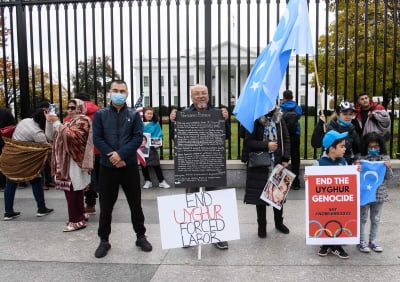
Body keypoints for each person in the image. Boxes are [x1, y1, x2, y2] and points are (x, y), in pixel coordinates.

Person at [93, 80, 152, 258]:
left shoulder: (134, 115)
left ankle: (140, 236)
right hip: (107, 166)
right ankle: (104, 240)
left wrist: (121, 155)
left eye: (122, 91)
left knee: (135, 204)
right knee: (106, 206)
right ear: (109, 92)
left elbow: (137, 138)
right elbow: (97, 138)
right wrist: (113, 156)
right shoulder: (101, 114)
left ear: (127, 93)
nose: (119, 93)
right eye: (115, 90)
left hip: (129, 166)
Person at [169, 84, 230, 249]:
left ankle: (217, 235)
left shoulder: (218, 112)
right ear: (191, 97)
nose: (201, 96)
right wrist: (173, 122)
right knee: (192, 200)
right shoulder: (184, 114)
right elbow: (176, 139)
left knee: (214, 200)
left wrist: (226, 120)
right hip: (191, 162)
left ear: (209, 95)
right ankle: (191, 234)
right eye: (197, 94)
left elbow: (227, 136)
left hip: (212, 161)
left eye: (204, 93)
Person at [242, 106, 291, 238]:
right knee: (260, 196)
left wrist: (286, 158)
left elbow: (285, 139)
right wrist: (266, 145)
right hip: (260, 164)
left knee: (278, 195)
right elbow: (248, 142)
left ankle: (279, 223)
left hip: (277, 162)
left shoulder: (279, 118)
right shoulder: (255, 120)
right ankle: (261, 226)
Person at [47, 99, 93, 232]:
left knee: (73, 191)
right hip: (67, 162)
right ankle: (80, 215)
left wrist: (56, 122)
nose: (70, 110)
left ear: (80, 108)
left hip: (75, 161)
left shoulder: (83, 120)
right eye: (68, 107)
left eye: (73, 107)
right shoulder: (69, 121)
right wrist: (49, 122)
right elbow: (52, 136)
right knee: (74, 191)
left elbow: (71, 136)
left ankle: (76, 220)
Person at [1, 109, 54, 220]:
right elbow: (48, 147)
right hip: (27, 162)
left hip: (12, 157)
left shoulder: (25, 121)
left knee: (10, 183)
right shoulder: (37, 132)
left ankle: (8, 212)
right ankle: (41, 208)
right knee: (36, 181)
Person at [313, 130, 353, 259]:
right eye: (341, 146)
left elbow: (349, 180)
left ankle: (337, 245)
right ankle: (326, 243)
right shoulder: (319, 163)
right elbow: (312, 184)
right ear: (331, 149)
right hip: (325, 201)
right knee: (325, 219)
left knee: (339, 218)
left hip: (339, 201)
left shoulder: (344, 162)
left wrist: (355, 172)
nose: (344, 149)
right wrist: (308, 178)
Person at [64, 92, 100, 215]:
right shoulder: (98, 112)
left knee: (86, 178)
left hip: (80, 152)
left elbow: (64, 131)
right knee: (100, 177)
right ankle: (103, 201)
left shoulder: (73, 114)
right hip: (99, 149)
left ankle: (89, 204)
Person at [358, 132, 392, 253]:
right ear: (365, 146)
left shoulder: (384, 159)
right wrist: (356, 167)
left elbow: (389, 177)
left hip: (379, 194)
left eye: (376, 147)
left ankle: (373, 240)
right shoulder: (361, 159)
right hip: (365, 193)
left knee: (376, 219)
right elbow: (356, 176)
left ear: (380, 146)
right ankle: (361, 241)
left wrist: (388, 167)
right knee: (362, 218)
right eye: (370, 147)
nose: (373, 149)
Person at [141, 107, 170, 189]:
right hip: (142, 147)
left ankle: (161, 181)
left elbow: (159, 134)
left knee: (156, 165)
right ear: (144, 114)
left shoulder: (155, 124)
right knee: (144, 165)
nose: (150, 115)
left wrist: (158, 143)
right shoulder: (139, 123)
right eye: (148, 113)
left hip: (152, 147)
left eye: (151, 113)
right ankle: (147, 181)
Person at [280, 90, 302, 190]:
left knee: (283, 157)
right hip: (295, 133)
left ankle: (281, 181)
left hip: (284, 135)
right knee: (295, 157)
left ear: (284, 97)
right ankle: (296, 182)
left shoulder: (281, 107)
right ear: (292, 97)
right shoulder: (297, 107)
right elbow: (299, 115)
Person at [0, 107, 16, 192]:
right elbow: (13, 125)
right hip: (5, 139)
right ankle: (4, 183)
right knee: (5, 161)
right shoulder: (5, 111)